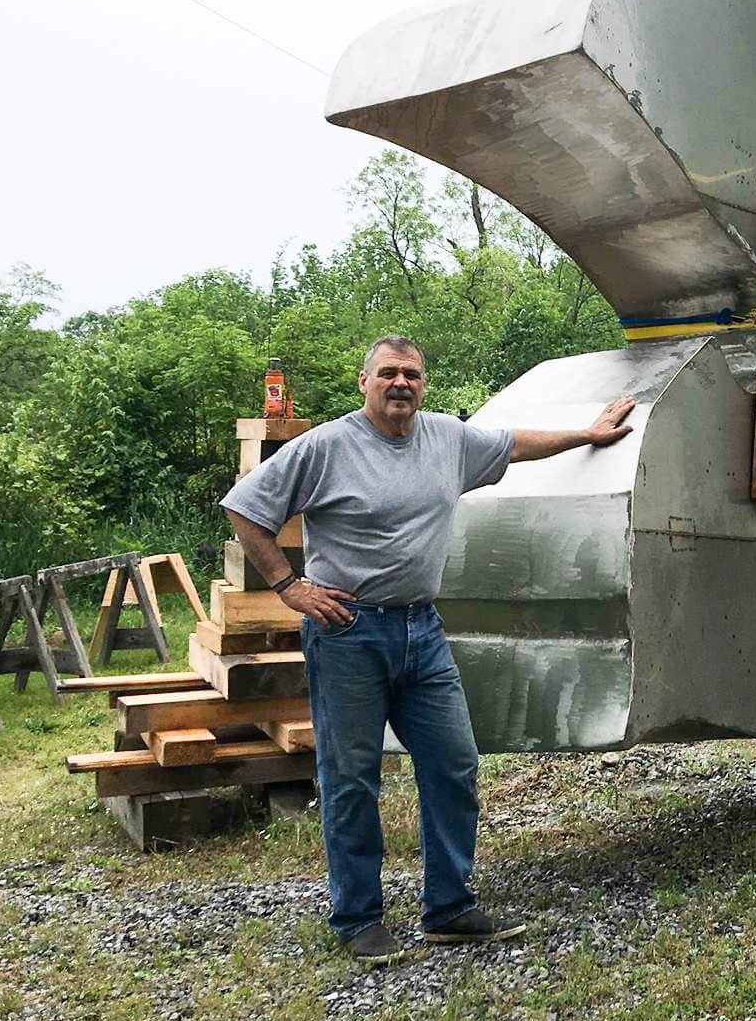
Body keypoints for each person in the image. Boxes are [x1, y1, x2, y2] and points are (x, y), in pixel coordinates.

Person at [222, 335, 635, 965]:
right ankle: (358, 917)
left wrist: (587, 435)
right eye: (387, 373)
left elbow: (516, 444)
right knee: (352, 778)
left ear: (422, 383)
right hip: (348, 634)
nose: (400, 384)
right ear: (364, 383)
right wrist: (290, 585)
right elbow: (246, 507)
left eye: (410, 374)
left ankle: (449, 908)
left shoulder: (447, 439)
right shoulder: (326, 447)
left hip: (422, 630)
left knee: (453, 761)